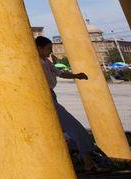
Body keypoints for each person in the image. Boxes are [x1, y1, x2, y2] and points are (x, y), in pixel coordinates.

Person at [35, 36, 105, 172]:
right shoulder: (35, 62)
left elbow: (60, 73)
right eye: (49, 49)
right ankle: (88, 162)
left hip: (50, 94)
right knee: (74, 128)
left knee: (66, 129)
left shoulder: (45, 61)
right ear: (39, 48)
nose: (51, 51)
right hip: (44, 96)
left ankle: (84, 158)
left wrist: (76, 76)